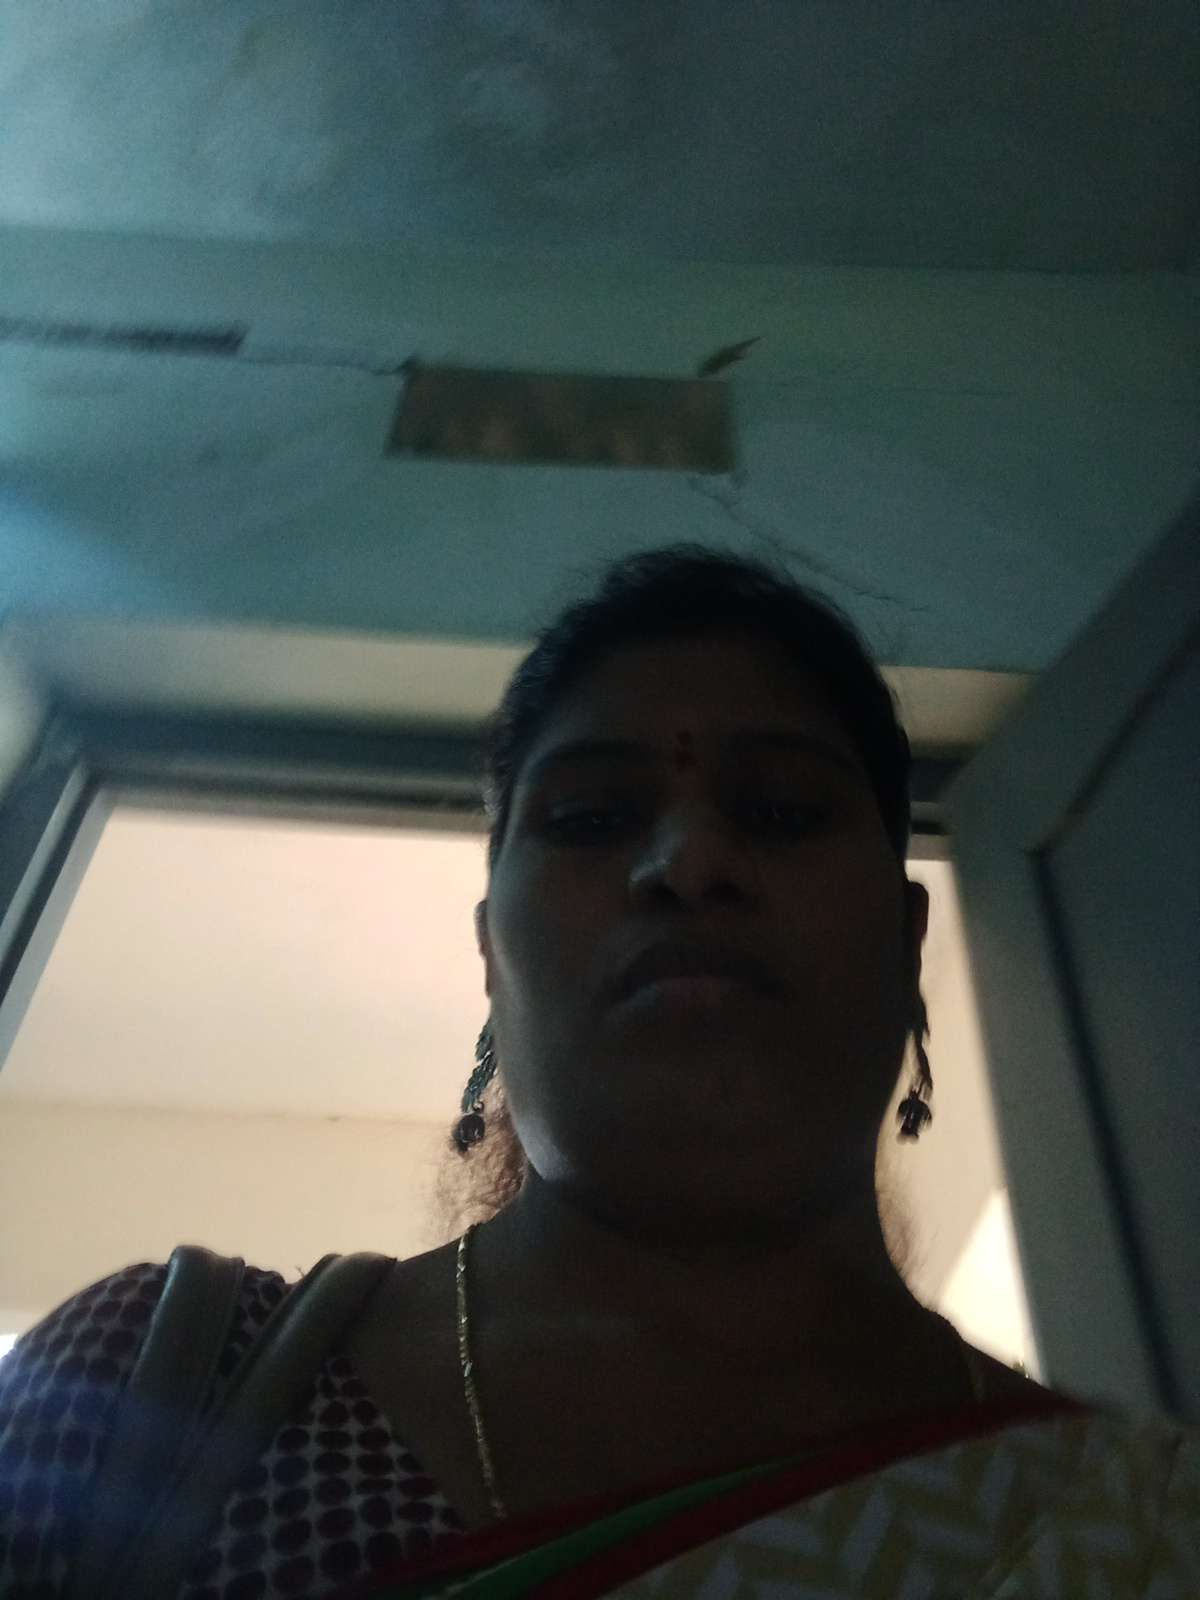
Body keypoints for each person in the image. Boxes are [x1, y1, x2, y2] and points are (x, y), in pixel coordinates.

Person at [1, 544, 1194, 1598]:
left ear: (907, 941)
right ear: (489, 953)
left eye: (783, 809)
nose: (690, 858)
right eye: (586, 818)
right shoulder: (144, 1397)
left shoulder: (1134, 1530)